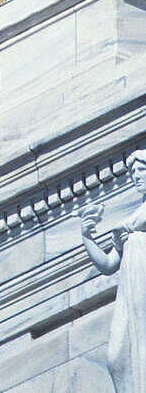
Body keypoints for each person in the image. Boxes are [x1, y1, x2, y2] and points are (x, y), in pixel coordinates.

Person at [79, 149, 146, 391]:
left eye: (142, 169)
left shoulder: (137, 220)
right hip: (131, 294)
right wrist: (87, 236)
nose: (136, 176)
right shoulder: (132, 223)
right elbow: (108, 265)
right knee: (116, 357)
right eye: (133, 172)